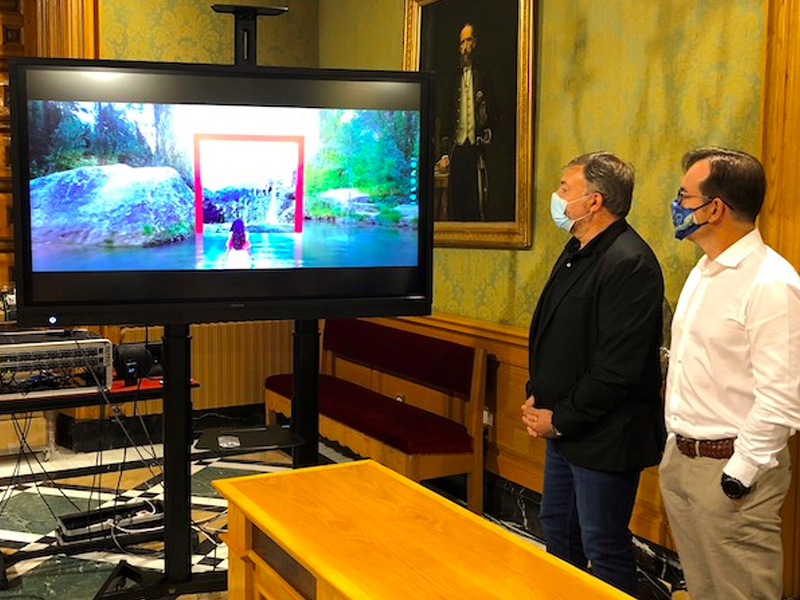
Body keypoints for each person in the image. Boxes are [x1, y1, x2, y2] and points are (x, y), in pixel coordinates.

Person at [521, 152, 665, 596]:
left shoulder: (629, 262)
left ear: (594, 201)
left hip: (603, 435)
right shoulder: (577, 249)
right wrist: (536, 395)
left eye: (565, 189)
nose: (557, 198)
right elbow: (556, 334)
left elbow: (617, 368)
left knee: (602, 545)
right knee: (558, 533)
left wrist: (560, 418)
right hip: (564, 428)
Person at [659, 147, 800, 600]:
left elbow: (783, 396)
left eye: (684, 195)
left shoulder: (771, 283)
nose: (676, 204)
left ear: (714, 208)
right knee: (703, 591)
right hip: (683, 460)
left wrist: (738, 474)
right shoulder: (704, 271)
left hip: (732, 471)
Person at [436, 22, 494, 221]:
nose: (465, 46)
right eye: (462, 41)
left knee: (477, 201)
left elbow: (493, 109)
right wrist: (443, 152)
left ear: (475, 42)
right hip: (457, 145)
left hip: (477, 146)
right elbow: (446, 114)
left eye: (469, 40)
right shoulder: (452, 77)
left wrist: (488, 130)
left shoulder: (484, 74)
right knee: (456, 201)